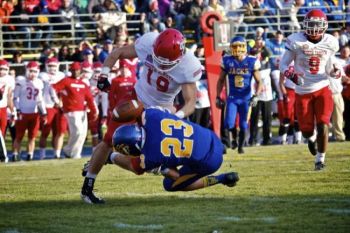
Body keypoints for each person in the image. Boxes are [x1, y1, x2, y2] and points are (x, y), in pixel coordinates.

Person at [81, 28, 202, 204]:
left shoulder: (189, 65)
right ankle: (87, 189)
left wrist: (176, 115)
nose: (161, 66)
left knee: (142, 166)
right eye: (157, 59)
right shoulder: (149, 41)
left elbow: (190, 102)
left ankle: (113, 158)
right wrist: (104, 73)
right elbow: (118, 52)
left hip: (159, 113)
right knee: (108, 140)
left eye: (166, 63)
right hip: (135, 100)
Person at [107, 107, 239, 194]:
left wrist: (111, 157)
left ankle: (222, 178)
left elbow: (175, 176)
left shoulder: (149, 158)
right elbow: (168, 109)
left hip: (211, 160)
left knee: (170, 185)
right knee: (176, 155)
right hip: (210, 136)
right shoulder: (152, 116)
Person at [279, 9, 342, 171]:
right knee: (306, 131)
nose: (314, 29)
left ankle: (320, 159)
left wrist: (335, 72)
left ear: (324, 26)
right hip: (302, 91)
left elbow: (330, 68)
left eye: (317, 25)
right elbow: (283, 64)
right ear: (305, 25)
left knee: (323, 124)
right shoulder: (296, 40)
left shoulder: (330, 41)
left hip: (322, 88)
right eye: (311, 24)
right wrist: (291, 75)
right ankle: (311, 138)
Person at [216, 36, 262, 154]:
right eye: (234, 47)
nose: (236, 49)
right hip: (232, 97)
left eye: (239, 46)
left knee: (243, 124)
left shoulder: (251, 61)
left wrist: (256, 95)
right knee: (229, 123)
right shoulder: (227, 60)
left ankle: (241, 146)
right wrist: (217, 96)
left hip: (246, 98)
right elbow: (220, 80)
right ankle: (234, 139)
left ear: (244, 47)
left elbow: (259, 81)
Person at [53, 62, 98, 159]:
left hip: (83, 111)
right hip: (70, 110)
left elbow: (89, 98)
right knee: (76, 132)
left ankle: (74, 153)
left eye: (77, 70)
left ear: (80, 71)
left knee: (82, 134)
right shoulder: (66, 81)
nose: (75, 72)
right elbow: (52, 88)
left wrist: (94, 111)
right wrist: (56, 100)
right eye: (73, 70)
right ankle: (68, 150)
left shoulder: (83, 84)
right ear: (70, 71)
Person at [13, 61, 47, 161]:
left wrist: (44, 112)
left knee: (32, 136)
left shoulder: (39, 82)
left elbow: (40, 100)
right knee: (19, 136)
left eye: (35, 71)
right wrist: (18, 110)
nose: (32, 73)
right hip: (22, 112)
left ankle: (30, 154)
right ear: (26, 70)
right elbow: (15, 97)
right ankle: (15, 154)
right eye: (30, 71)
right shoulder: (21, 80)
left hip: (35, 113)